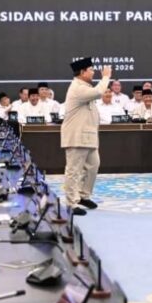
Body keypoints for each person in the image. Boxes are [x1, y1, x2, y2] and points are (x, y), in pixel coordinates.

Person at [62, 58, 111, 216]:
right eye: (91, 70)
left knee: (93, 166)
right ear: (82, 72)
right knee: (74, 171)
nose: (93, 72)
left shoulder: (85, 87)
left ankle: (83, 196)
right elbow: (99, 92)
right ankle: (71, 203)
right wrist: (106, 77)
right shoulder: (77, 87)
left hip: (89, 137)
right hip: (76, 137)